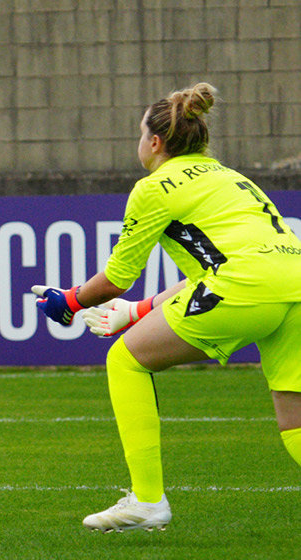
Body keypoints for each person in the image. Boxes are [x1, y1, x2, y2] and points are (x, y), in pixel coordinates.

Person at [32, 82, 301, 532]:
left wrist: (70, 302)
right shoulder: (231, 176)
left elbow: (117, 279)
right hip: (294, 283)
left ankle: (147, 501)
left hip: (244, 285)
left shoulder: (154, 187)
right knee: (294, 413)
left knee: (126, 360)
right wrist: (137, 312)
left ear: (155, 142)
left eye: (140, 134)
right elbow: (213, 271)